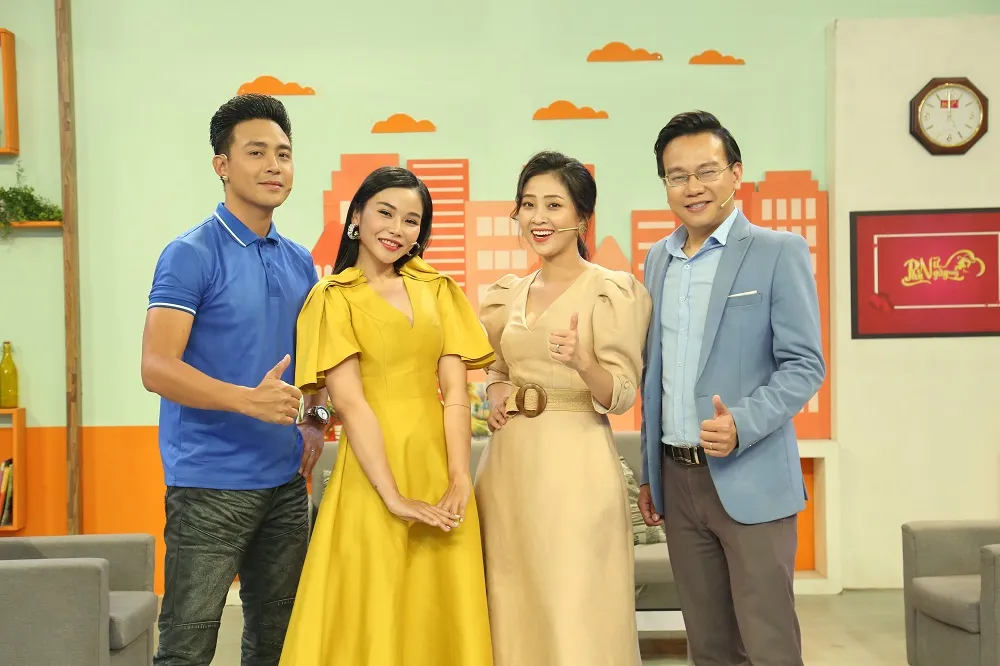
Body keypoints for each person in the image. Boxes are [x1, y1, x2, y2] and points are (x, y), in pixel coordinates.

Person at [278, 166, 496, 666]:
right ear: (356, 216)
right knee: (375, 610)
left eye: (411, 220)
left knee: (440, 612)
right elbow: (351, 404)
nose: (397, 229)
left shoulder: (439, 289)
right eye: (386, 212)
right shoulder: (332, 298)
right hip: (372, 474)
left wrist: (460, 475)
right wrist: (393, 496)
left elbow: (455, 393)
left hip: (438, 466)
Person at [141, 93, 328, 665]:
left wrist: (316, 419)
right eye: (256, 152)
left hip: (285, 484)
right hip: (208, 484)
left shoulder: (300, 260)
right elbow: (156, 367)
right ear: (221, 164)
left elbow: (313, 363)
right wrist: (247, 401)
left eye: (284, 154)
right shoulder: (190, 253)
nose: (274, 166)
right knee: (188, 646)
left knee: (278, 644)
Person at [636, 110, 826, 666]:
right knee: (710, 645)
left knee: (769, 642)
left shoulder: (777, 251)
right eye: (677, 175)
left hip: (752, 473)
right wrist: (650, 472)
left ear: (736, 173)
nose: (692, 187)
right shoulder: (658, 260)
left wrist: (742, 423)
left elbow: (804, 365)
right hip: (677, 479)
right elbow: (655, 375)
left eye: (706, 171)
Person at [476, 150, 652, 666]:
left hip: (576, 467)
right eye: (528, 204)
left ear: (582, 217)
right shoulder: (507, 295)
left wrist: (583, 362)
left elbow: (621, 393)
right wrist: (495, 393)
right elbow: (496, 368)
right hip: (508, 468)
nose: (538, 217)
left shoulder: (611, 291)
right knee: (511, 601)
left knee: (574, 603)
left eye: (554, 205)